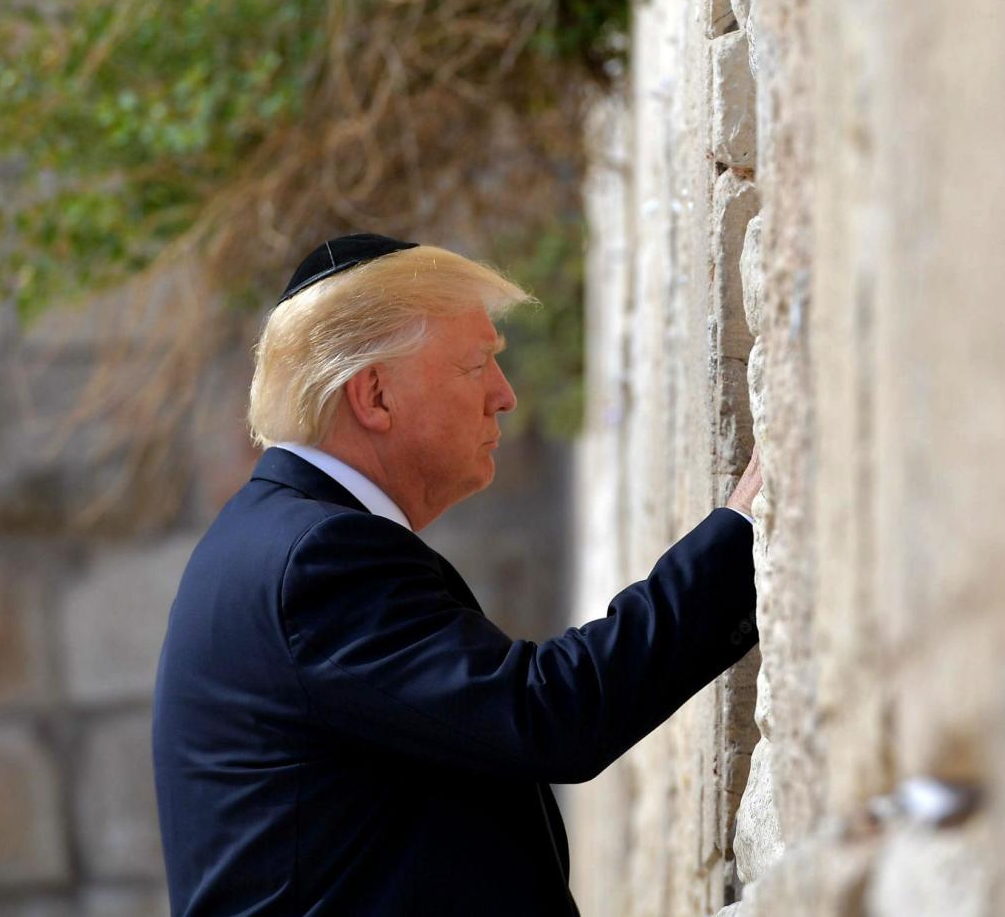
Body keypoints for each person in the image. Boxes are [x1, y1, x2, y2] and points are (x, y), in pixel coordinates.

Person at [152, 233, 762, 916]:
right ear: (375, 395)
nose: (504, 397)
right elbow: (547, 715)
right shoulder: (315, 561)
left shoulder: (278, 540)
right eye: (477, 366)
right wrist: (743, 536)